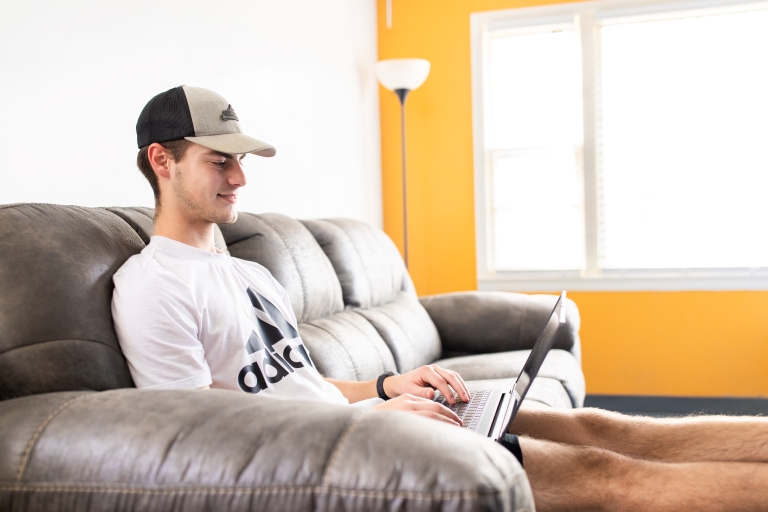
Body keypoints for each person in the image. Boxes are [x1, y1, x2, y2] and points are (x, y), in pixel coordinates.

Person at [113, 86, 768, 512]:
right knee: (606, 477)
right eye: (218, 161)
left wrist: (392, 387)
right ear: (162, 161)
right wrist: (368, 424)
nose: (240, 177)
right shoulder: (151, 285)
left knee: (598, 427)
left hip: (357, 427)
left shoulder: (249, 274)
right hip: (333, 459)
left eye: (240, 160)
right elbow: (196, 434)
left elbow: (303, 385)